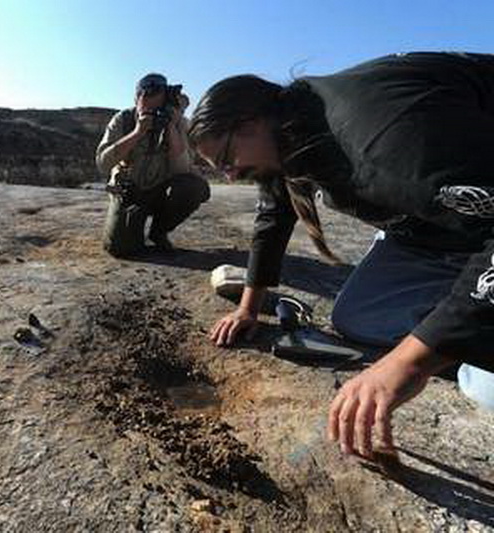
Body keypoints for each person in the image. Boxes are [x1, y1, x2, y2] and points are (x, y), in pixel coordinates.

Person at [188, 52, 494, 459]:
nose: (229, 175)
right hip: (438, 233)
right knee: (357, 317)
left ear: (249, 123)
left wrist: (410, 363)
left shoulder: (381, 140)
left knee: (484, 387)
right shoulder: (294, 129)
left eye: (227, 161)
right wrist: (249, 308)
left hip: (475, 223)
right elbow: (272, 218)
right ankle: (467, 309)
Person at [96, 73, 210, 257]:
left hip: (160, 192)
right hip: (130, 192)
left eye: (157, 97)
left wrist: (172, 128)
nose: (151, 102)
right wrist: (137, 132)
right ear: (137, 98)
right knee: (120, 249)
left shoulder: (179, 122)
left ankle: (159, 231)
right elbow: (103, 163)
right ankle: (133, 227)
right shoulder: (123, 120)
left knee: (194, 187)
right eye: (145, 95)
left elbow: (182, 171)